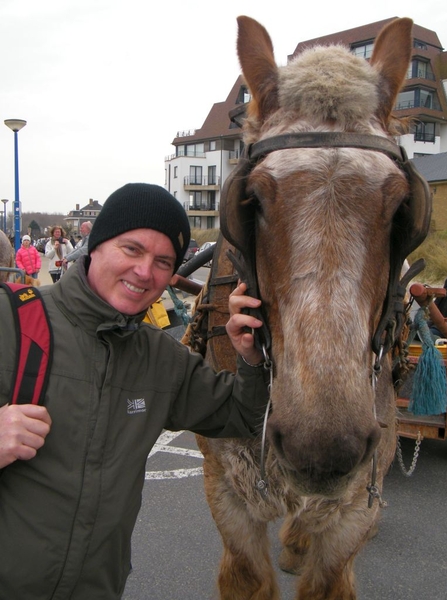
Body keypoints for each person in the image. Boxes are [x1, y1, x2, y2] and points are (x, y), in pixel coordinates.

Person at [0, 183, 268, 600]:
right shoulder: (11, 319)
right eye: (131, 249)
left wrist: (249, 357)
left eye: (163, 261)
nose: (145, 272)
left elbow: (244, 415)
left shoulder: (160, 358)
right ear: (96, 247)